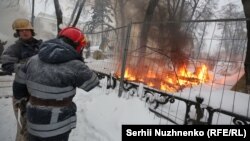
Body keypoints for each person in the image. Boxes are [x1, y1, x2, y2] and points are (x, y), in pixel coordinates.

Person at [17, 27, 100, 141]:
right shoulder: (76, 66)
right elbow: (92, 83)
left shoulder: (32, 60)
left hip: (33, 122)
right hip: (58, 126)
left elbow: (18, 89)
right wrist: (80, 62)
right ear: (78, 45)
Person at [1, 18, 42, 141]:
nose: (24, 32)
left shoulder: (41, 45)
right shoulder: (15, 48)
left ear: (31, 31)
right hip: (24, 91)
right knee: (28, 122)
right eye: (21, 31)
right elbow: (6, 65)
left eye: (27, 30)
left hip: (43, 90)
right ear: (17, 33)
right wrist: (25, 66)